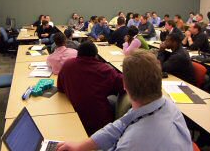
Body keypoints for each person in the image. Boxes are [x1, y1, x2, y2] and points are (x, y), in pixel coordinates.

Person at [57, 50, 193, 151]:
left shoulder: (131, 144)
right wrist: (81, 146)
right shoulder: (167, 105)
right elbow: (120, 125)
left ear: (124, 86)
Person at [57, 41, 124, 135]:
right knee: (115, 100)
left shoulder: (67, 65)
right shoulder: (105, 69)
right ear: (96, 55)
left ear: (78, 53)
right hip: (99, 122)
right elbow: (124, 85)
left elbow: (60, 88)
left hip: (72, 115)